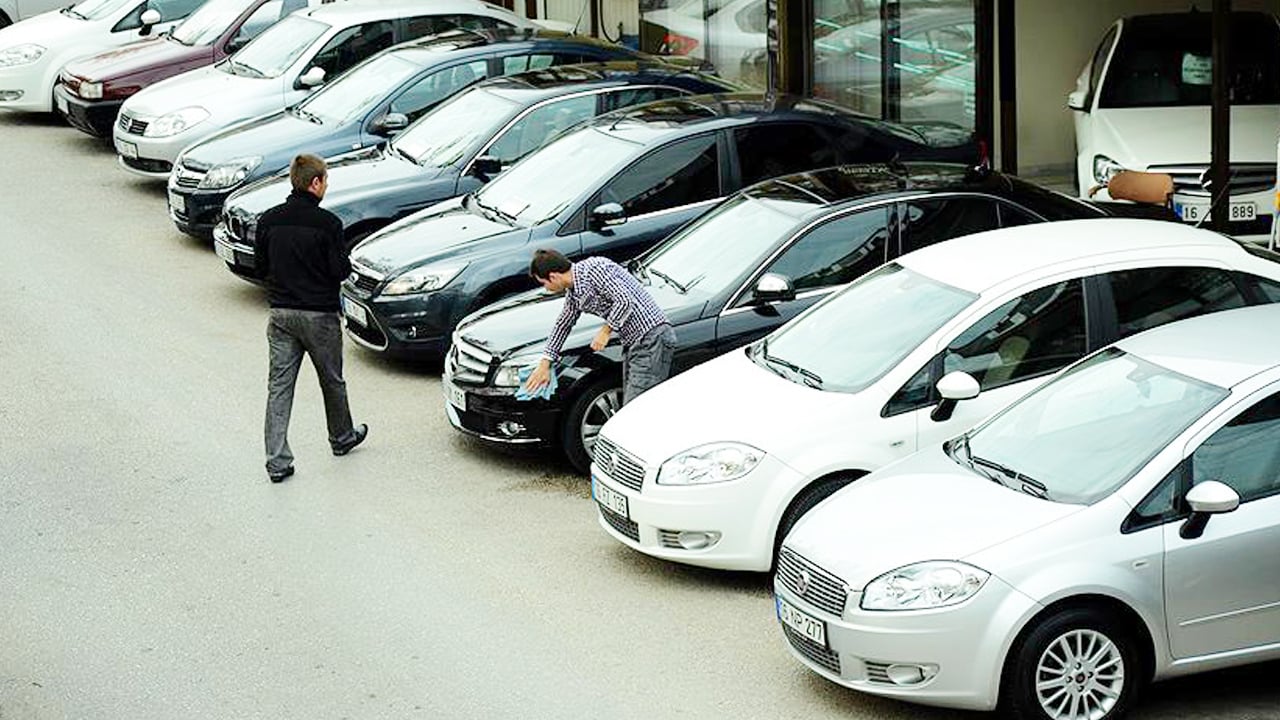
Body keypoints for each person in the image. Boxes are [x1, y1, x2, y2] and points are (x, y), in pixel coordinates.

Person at [257, 154, 367, 483]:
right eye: (326, 181)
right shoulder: (328, 224)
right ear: (315, 183)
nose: (326, 186)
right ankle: (341, 437)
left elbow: (261, 268)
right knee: (331, 380)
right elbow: (340, 270)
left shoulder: (269, 220)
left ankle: (277, 461)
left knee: (279, 387)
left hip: (281, 315)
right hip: (319, 316)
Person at [524, 249, 676, 403]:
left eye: (544, 283)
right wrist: (545, 362)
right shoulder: (574, 293)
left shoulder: (595, 269)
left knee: (637, 407)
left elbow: (624, 300)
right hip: (635, 343)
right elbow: (563, 325)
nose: (546, 289)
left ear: (553, 276)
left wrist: (605, 331)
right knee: (634, 406)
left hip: (651, 336)